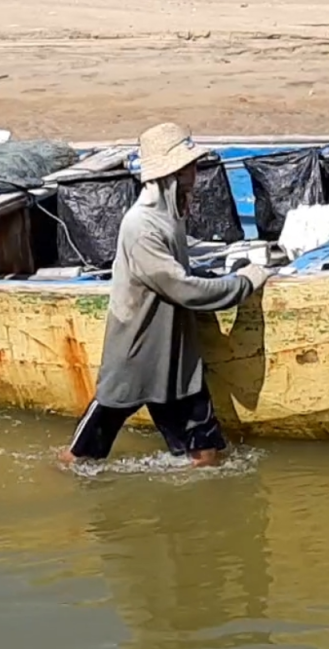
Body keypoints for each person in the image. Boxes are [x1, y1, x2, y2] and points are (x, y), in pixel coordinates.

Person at [57, 122, 275, 469]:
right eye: (189, 167)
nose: (195, 175)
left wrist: (218, 271)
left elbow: (181, 272)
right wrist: (244, 283)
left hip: (177, 356)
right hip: (137, 355)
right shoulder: (140, 227)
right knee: (81, 458)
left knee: (207, 457)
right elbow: (182, 288)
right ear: (170, 173)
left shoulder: (170, 214)